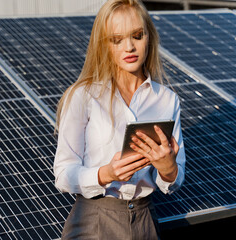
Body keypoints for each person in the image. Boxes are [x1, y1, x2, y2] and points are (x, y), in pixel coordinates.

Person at [53, 0, 186, 239]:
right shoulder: (84, 96)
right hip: (94, 219)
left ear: (149, 38)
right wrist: (106, 174)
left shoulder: (167, 100)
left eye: (137, 35)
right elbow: (63, 174)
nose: (129, 47)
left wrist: (168, 170)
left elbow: (173, 180)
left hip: (146, 220)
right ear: (104, 45)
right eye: (117, 39)